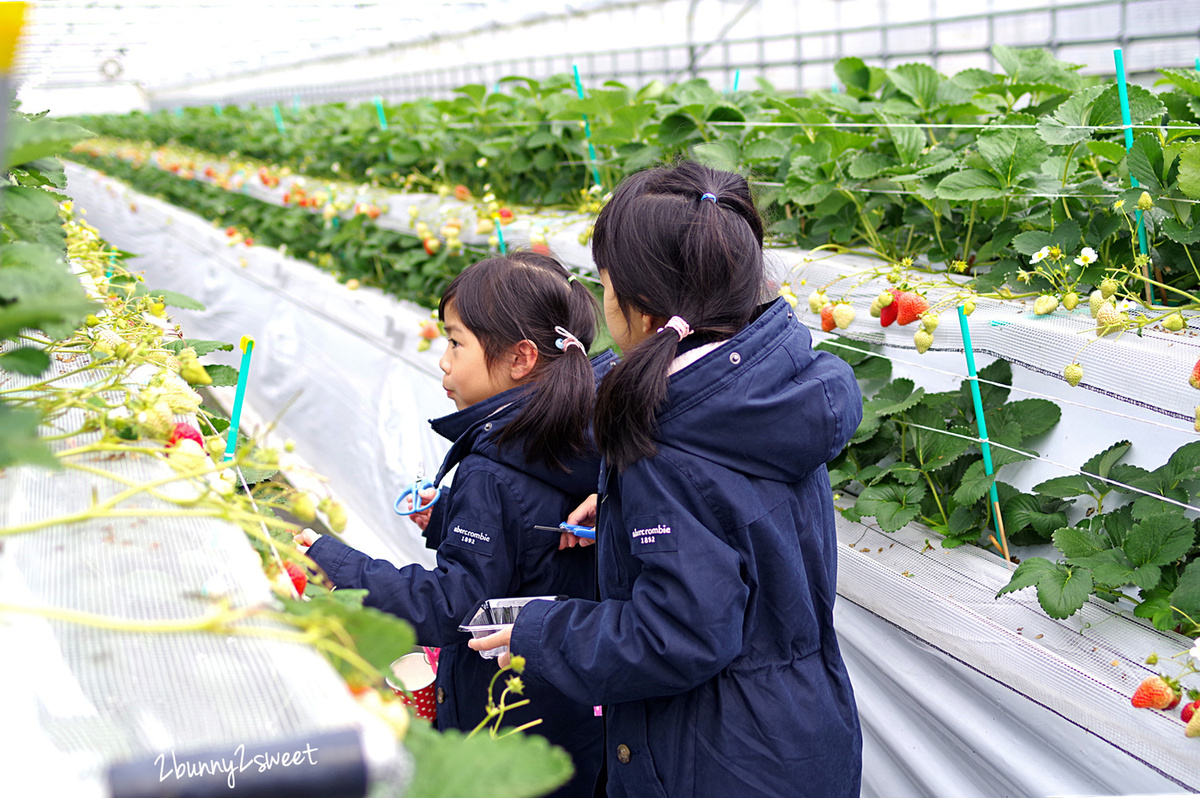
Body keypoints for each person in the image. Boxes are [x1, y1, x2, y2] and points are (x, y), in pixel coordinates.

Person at [469, 161, 864, 797]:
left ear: (640, 307)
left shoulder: (665, 438)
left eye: (604, 283)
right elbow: (739, 522)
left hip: (711, 761)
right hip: (803, 733)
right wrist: (628, 512)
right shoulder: (768, 395)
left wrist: (542, 632)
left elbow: (679, 633)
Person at [295, 251, 608, 798]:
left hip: (503, 714)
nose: (443, 359)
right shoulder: (584, 440)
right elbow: (531, 546)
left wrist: (335, 562)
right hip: (574, 709)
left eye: (456, 341)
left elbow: (455, 604)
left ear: (521, 358)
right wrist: (447, 519)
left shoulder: (493, 467)